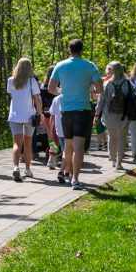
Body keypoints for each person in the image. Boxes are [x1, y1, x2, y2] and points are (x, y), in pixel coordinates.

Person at [48, 39, 102, 190]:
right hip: (83, 109)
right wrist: (88, 91)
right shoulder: (90, 65)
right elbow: (99, 89)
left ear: (68, 50)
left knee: (68, 146)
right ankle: (75, 179)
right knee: (79, 146)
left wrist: (64, 92)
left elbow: (51, 88)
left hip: (65, 110)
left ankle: (70, 175)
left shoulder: (60, 65)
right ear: (82, 50)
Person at [7, 58, 42, 182]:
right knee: (28, 143)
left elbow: (12, 96)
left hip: (14, 116)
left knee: (17, 143)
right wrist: (40, 113)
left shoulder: (11, 81)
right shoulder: (32, 81)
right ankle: (27, 169)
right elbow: (37, 100)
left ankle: (16, 167)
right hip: (29, 116)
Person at [93, 63, 130, 170]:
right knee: (121, 138)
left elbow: (101, 101)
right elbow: (130, 99)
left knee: (112, 137)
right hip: (123, 114)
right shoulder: (127, 84)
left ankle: (113, 160)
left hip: (108, 114)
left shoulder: (106, 84)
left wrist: (97, 114)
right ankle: (119, 162)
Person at [39, 67, 57, 168]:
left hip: (46, 113)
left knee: (51, 135)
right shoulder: (57, 85)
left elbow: (40, 100)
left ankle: (52, 156)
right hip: (56, 113)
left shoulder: (43, 86)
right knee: (56, 135)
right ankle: (52, 156)